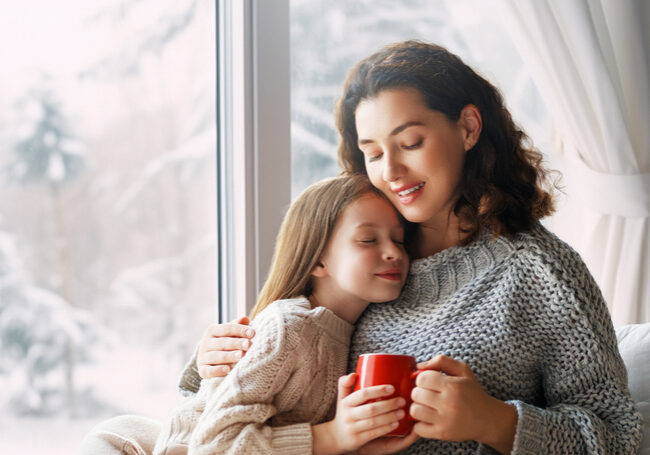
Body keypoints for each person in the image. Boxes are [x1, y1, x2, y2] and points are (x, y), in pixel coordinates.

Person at [187, 40, 643, 454]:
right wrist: (212, 361)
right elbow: (255, 383)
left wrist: (496, 421)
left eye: (410, 142)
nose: (392, 172)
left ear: (468, 127)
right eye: (374, 152)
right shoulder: (361, 255)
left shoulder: (541, 272)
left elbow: (620, 438)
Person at [147, 174, 416, 455]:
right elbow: (213, 446)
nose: (393, 253)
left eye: (399, 240)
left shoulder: (349, 329)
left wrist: (354, 447)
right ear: (317, 261)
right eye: (368, 239)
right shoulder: (290, 327)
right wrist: (332, 436)